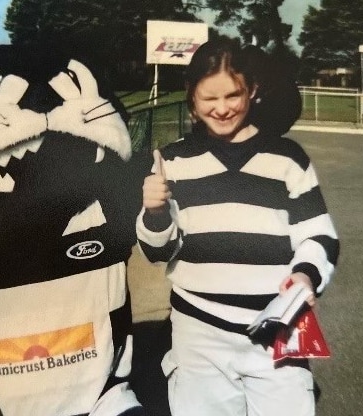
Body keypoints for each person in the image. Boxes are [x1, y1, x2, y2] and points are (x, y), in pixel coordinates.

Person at [136, 38, 339, 416]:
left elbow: (319, 234)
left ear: (252, 90)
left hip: (276, 327)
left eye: (233, 95)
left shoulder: (288, 158)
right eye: (209, 98)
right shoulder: (173, 160)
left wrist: (307, 275)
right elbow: (157, 251)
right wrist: (155, 212)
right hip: (197, 334)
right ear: (191, 99)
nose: (222, 108)